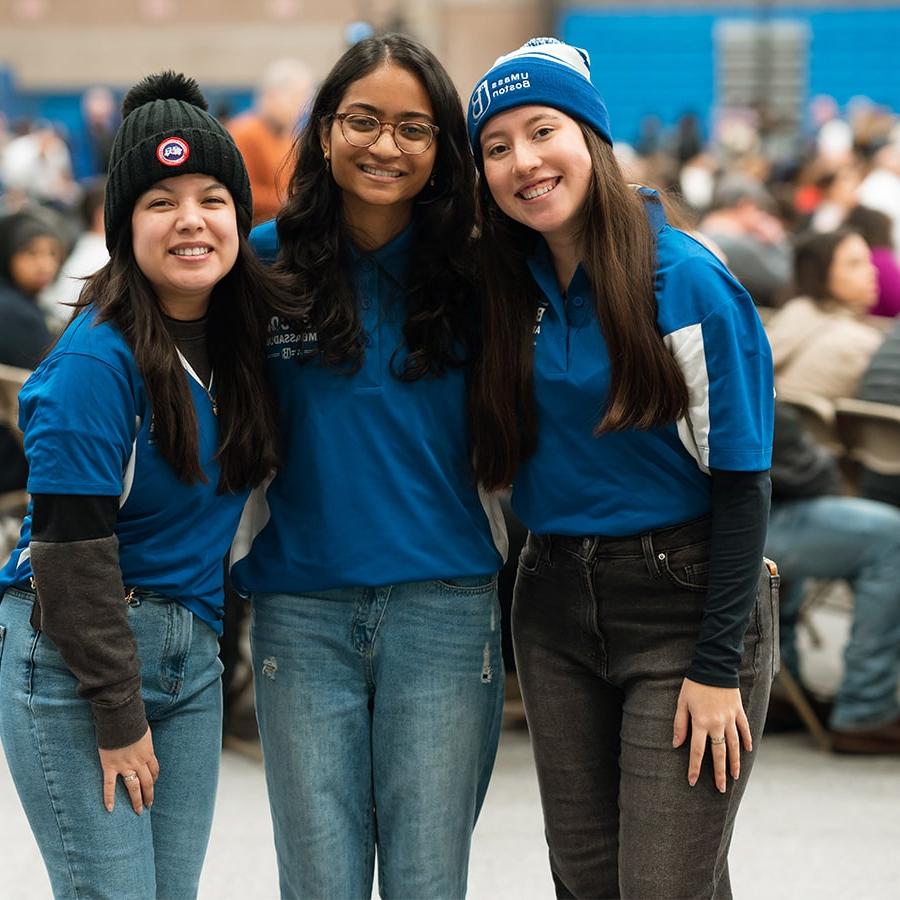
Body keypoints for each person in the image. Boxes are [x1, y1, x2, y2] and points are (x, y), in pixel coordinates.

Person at [467, 38, 776, 899]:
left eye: (542, 131)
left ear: (592, 138)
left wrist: (718, 669)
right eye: (496, 147)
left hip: (685, 601)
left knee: (663, 883)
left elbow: (745, 484)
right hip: (555, 602)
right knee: (589, 883)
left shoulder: (686, 279)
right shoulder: (507, 285)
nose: (523, 161)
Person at [230, 34, 506, 900]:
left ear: (441, 149)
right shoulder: (261, 264)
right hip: (300, 613)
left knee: (428, 882)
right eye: (364, 120)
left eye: (414, 129)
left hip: (445, 611)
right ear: (323, 131)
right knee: (319, 884)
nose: (386, 145)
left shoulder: (483, 271)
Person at [0, 72, 279, 899]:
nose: (191, 220)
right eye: (160, 202)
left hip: (188, 661)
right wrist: (118, 721)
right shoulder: (95, 362)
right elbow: (71, 560)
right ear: (123, 228)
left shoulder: (236, 345)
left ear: (239, 216)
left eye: (211, 198)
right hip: (76, 664)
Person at [765, 402, 900, 753]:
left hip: (698, 512)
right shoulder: (724, 353)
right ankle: (867, 708)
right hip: (734, 517)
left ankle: (776, 686)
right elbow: (804, 470)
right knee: (892, 539)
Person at [767, 227, 883, 401]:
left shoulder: (795, 311)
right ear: (820, 273)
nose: (873, 271)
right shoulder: (861, 343)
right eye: (855, 264)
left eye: (869, 261)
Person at [0, 209, 61, 493]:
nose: (45, 264)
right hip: (19, 458)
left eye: (51, 253)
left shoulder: (19, 303)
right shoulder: (14, 313)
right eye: (31, 254)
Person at [228, 59, 313, 225]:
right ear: (273, 95)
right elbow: (237, 192)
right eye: (296, 98)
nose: (301, 108)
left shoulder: (289, 138)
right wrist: (290, 202)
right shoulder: (243, 133)